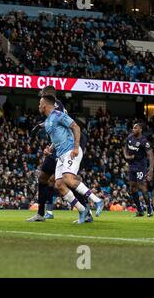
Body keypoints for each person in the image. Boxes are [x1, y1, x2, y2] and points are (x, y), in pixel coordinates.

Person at [28, 86, 92, 223]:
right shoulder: (54, 107)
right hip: (58, 148)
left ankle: (86, 211)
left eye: (42, 95)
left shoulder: (56, 106)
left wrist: (38, 127)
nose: (40, 98)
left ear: (47, 95)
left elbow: (65, 126)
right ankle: (41, 213)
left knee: (67, 180)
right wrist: (51, 147)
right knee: (44, 177)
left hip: (67, 148)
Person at [37, 95, 104, 224]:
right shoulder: (49, 120)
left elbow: (76, 127)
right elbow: (58, 137)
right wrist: (49, 149)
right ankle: (82, 210)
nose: (38, 106)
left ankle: (98, 201)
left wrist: (76, 147)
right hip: (60, 155)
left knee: (68, 178)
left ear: (45, 104)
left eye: (40, 103)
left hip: (70, 152)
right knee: (59, 185)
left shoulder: (58, 115)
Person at [123, 123, 154, 217]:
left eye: (135, 128)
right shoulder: (130, 137)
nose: (133, 129)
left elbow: (151, 155)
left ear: (140, 129)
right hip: (132, 165)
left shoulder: (144, 141)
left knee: (141, 186)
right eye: (133, 127)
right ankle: (140, 210)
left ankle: (149, 207)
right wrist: (126, 156)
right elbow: (125, 147)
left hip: (141, 166)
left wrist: (151, 170)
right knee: (132, 188)